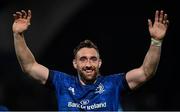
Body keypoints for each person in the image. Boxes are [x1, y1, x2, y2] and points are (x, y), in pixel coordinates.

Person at [12, 9, 169, 111]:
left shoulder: (113, 84)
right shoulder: (62, 83)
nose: (88, 64)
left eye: (93, 59)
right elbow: (29, 66)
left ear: (100, 63)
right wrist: (18, 35)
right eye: (83, 59)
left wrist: (156, 42)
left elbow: (146, 72)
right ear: (75, 63)